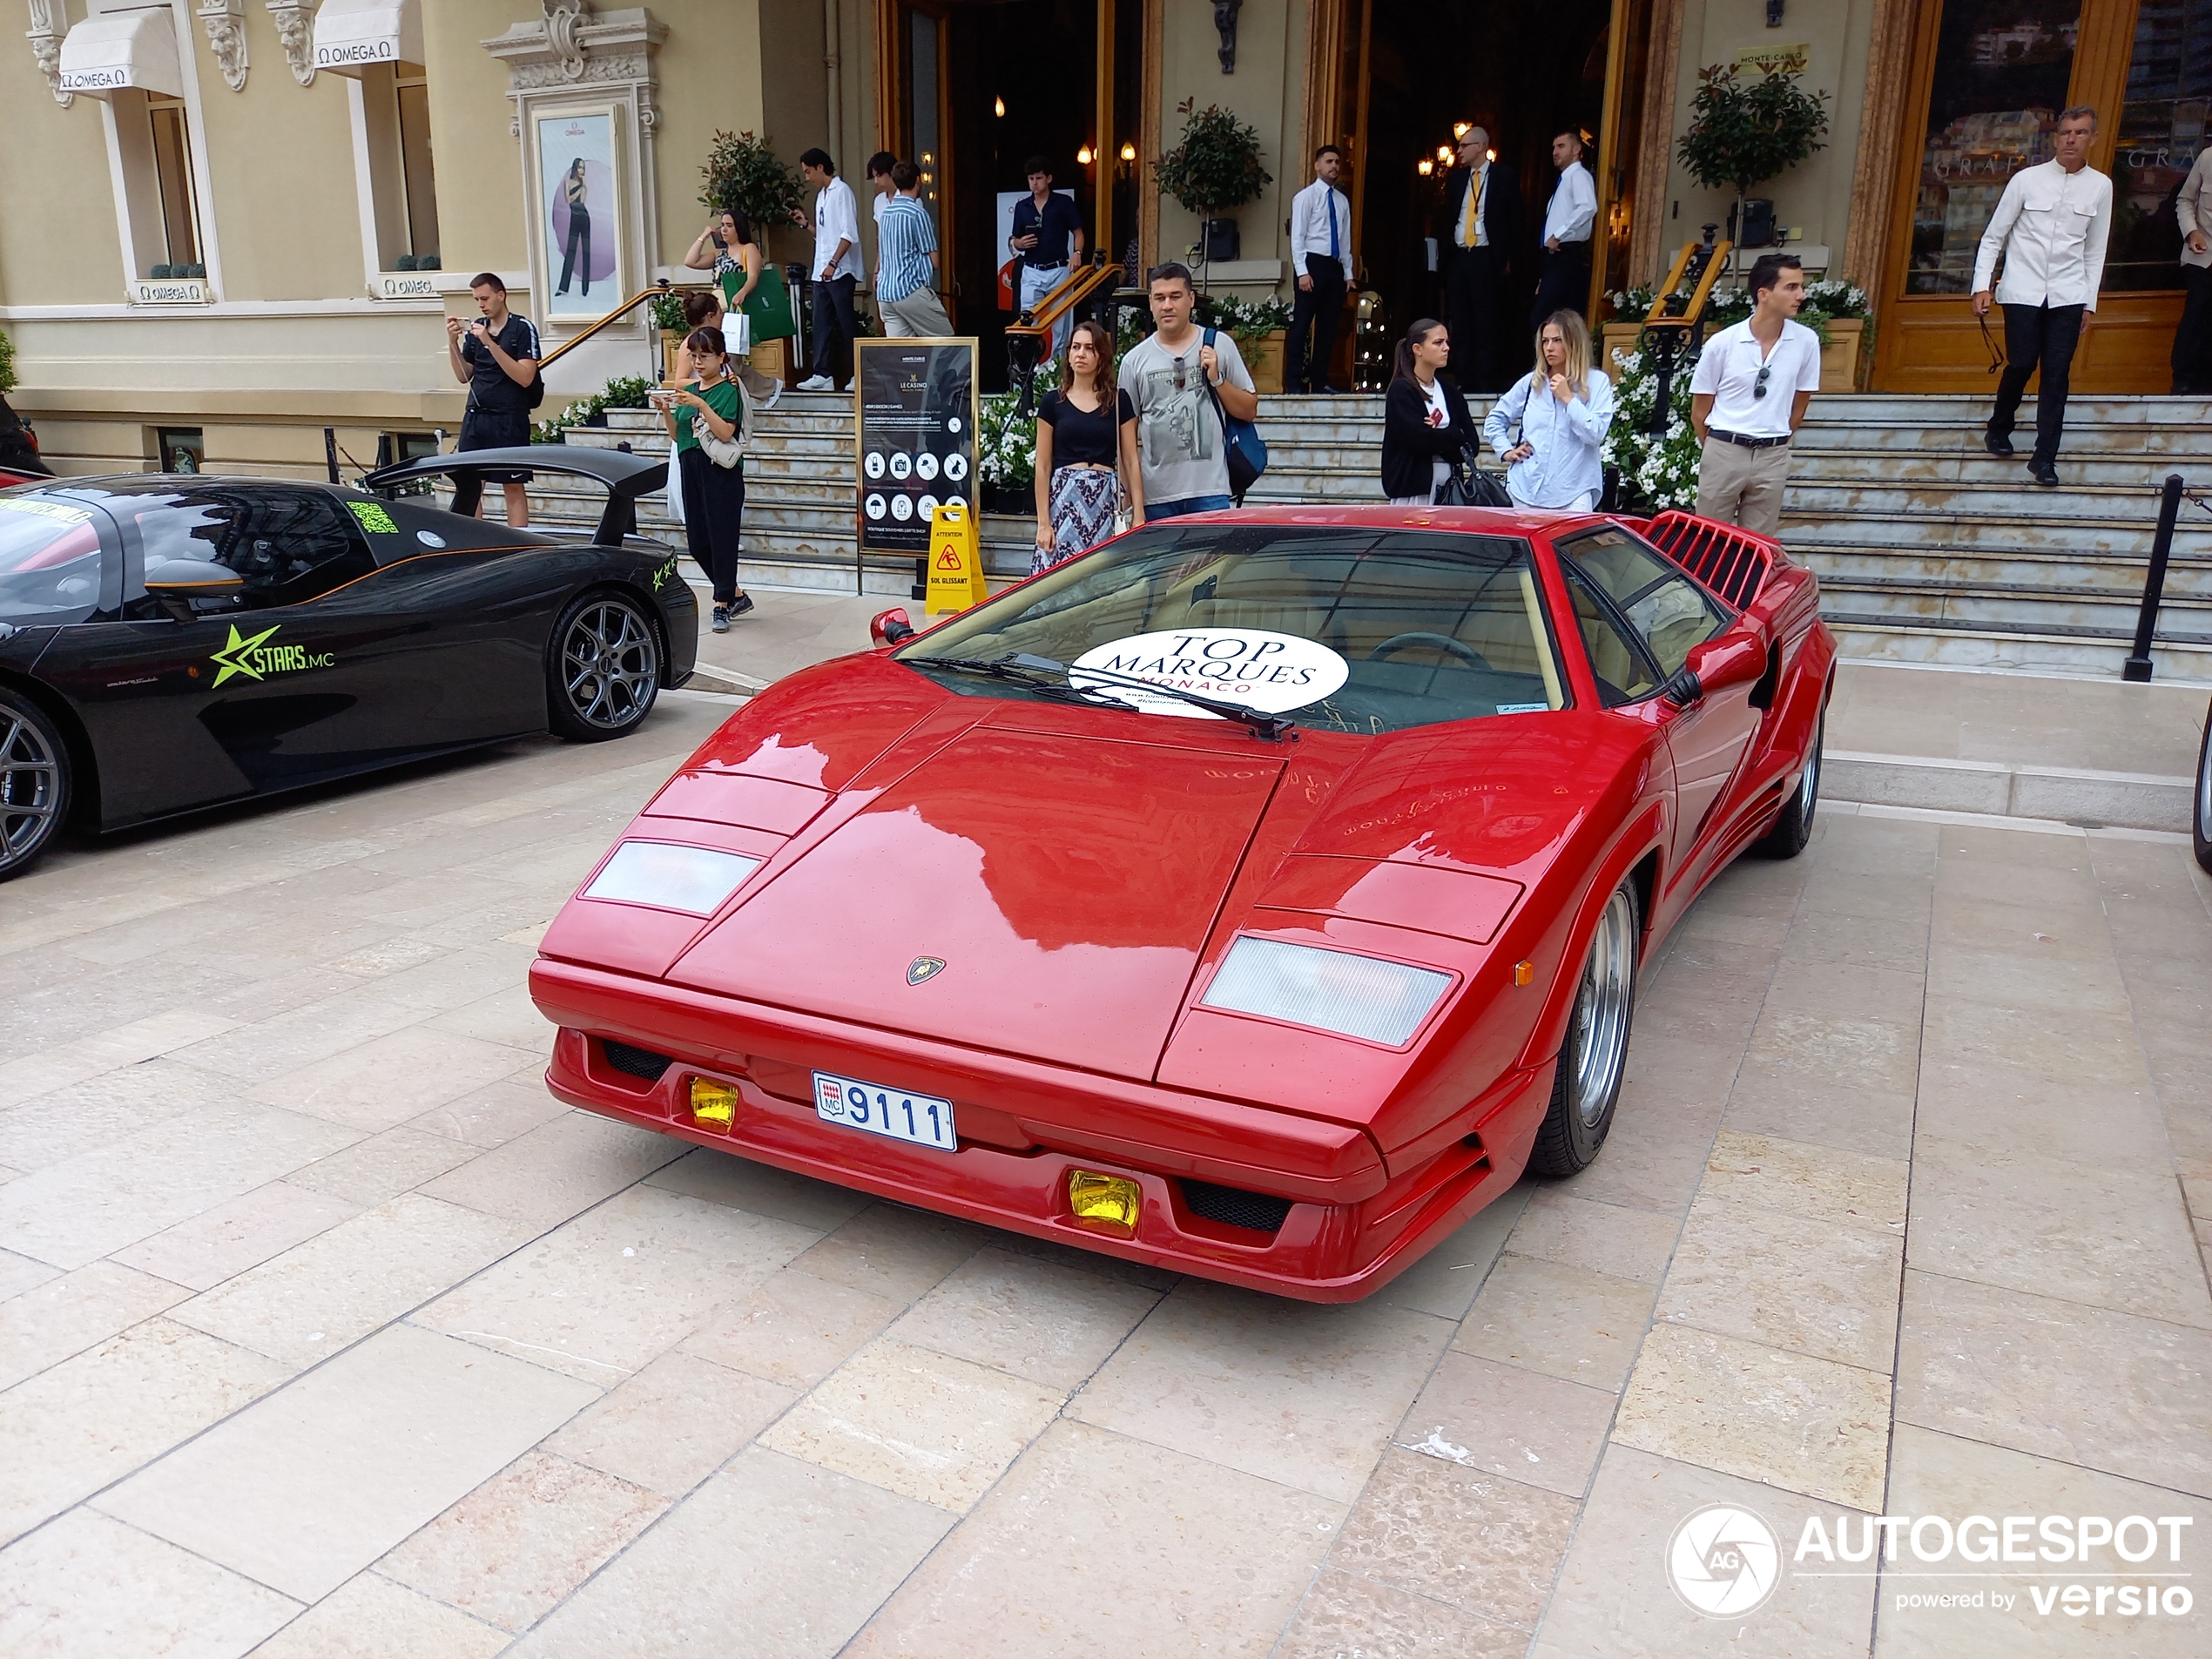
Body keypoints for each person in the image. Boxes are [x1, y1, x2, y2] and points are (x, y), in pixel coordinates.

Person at [1973, 105, 2111, 486]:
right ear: (2055, 138)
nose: (2071, 139)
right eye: (2065, 132)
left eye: (2080, 133)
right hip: (2022, 289)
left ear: (2092, 139)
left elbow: (2095, 249)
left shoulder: (2100, 185)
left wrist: (2089, 303)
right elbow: (1994, 236)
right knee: (2020, 363)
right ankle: (1999, 426)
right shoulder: (2026, 180)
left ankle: (2044, 457)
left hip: (2068, 293)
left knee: (2057, 374)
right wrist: (1982, 286)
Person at [1689, 252, 1819, 536]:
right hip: (1725, 448)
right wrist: (1717, 448)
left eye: (1801, 286)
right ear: (1764, 294)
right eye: (1791, 287)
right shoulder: (1722, 344)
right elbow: (1700, 411)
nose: (1801, 295)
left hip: (1772, 454)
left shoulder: (1806, 342)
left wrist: (1778, 436)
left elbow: (1800, 403)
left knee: (1757, 546)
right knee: (1708, 541)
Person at [1122, 264, 1258, 520]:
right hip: (1156, 496)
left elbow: (1249, 410)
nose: (1167, 305)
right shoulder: (1134, 361)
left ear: (1191, 299)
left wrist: (1217, 380)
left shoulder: (1219, 345)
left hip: (1209, 491)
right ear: (1150, 303)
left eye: (1175, 296)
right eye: (1160, 298)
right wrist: (1129, 494)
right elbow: (1125, 439)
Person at [656, 325, 753, 631]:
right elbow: (677, 435)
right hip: (691, 466)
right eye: (694, 357)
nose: (698, 363)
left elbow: (725, 432)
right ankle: (735, 593)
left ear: (720, 357)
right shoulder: (690, 393)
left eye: (705, 357)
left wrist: (700, 404)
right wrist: (667, 411)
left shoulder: (727, 390)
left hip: (720, 471)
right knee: (698, 541)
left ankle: (721, 604)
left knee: (722, 539)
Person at [1033, 319, 1141, 571]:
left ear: (1101, 356)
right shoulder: (1052, 403)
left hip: (1104, 500)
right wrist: (1043, 522)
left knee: (1103, 575)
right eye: (1075, 347)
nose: (1081, 354)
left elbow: (1131, 459)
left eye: (1089, 348)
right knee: (1057, 576)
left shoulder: (1118, 400)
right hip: (1063, 500)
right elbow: (1043, 465)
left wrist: (1138, 513)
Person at [1485, 310, 1615, 510]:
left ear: (1573, 343)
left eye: (1557, 340)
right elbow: (1495, 418)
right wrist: (1506, 451)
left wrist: (1568, 399)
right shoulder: (1532, 382)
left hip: (1573, 493)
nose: (1549, 348)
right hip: (1525, 490)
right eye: (1545, 341)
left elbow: (1595, 434)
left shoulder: (1596, 382)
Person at [445, 273, 538, 528]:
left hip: (509, 416)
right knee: (471, 486)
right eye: (476, 300)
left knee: (513, 486)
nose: (481, 305)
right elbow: (464, 375)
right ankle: (474, 543)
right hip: (476, 415)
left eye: (485, 298)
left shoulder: (522, 328)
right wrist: (452, 343)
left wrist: (489, 342)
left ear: (501, 295)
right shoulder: (476, 328)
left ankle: (518, 544)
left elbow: (526, 377)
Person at [1439, 125, 1521, 392]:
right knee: (1460, 321)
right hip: (1460, 256)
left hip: (1487, 257)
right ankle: (1463, 379)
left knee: (1485, 321)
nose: (1459, 151)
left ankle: (1485, 381)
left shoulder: (1503, 176)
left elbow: (1513, 219)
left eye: (1464, 146)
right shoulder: (1456, 180)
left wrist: (1507, 257)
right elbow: (1448, 217)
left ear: (1481, 147)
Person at [1380, 319, 1475, 506]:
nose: (1446, 348)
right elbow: (1415, 439)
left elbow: (1472, 444)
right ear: (1418, 349)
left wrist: (1437, 436)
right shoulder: (1401, 390)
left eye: (1447, 342)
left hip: (1450, 489)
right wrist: (1454, 436)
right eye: (1438, 343)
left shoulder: (1452, 394)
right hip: (1413, 491)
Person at [793, 149, 863, 392]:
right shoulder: (822, 196)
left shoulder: (841, 191)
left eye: (808, 171)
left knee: (846, 323)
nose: (807, 177)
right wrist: (806, 225)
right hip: (823, 270)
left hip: (839, 271)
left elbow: (848, 233)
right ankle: (822, 374)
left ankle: (858, 374)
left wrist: (833, 263)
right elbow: (826, 236)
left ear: (820, 167)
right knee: (821, 322)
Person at [1286, 145, 1354, 395]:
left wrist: (1348, 273)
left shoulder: (1342, 201)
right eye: (1329, 162)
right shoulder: (1305, 197)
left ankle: (1320, 380)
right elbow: (1298, 237)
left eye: (1337, 162)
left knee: (1329, 327)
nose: (1334, 166)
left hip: (1333, 266)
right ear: (1317, 166)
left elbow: (1345, 239)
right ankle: (1294, 382)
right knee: (1302, 324)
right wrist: (1302, 271)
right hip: (1311, 263)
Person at [1010, 156, 1085, 360]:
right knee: (1028, 323)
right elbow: (1014, 239)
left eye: (1039, 178)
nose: (1035, 183)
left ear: (1049, 178)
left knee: (1062, 325)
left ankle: (1058, 372)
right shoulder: (1022, 206)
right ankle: (1028, 371)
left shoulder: (1063, 203)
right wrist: (1020, 243)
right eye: (1031, 178)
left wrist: (1077, 254)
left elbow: (1078, 232)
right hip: (1032, 269)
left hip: (1059, 269)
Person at [876, 162, 954, 338]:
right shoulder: (917, 214)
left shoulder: (886, 214)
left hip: (885, 293)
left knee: (904, 355)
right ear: (918, 180)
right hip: (909, 290)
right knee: (947, 343)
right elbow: (935, 261)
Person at [1531, 129, 1596, 327]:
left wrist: (1559, 235)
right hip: (1555, 259)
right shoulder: (1564, 181)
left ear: (1576, 149)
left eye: (1561, 146)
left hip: (1567, 256)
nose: (1555, 152)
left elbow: (1588, 207)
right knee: (1555, 321)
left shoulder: (1578, 176)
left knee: (1543, 319)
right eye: (1553, 147)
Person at [2177, 143, 2212, 395]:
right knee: (2195, 319)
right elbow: (2185, 200)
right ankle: (2184, 382)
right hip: (2204, 256)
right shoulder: (2207, 157)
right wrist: (2192, 232)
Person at [684, 207, 761, 318]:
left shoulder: (749, 248)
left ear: (739, 227)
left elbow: (753, 276)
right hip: (718, 309)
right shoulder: (719, 253)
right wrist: (704, 236)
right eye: (722, 225)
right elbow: (690, 261)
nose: (724, 230)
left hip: (737, 304)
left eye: (729, 226)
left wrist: (742, 292)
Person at [556, 158, 591, 299]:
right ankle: (563, 287)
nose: (582, 171)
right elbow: (570, 200)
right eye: (580, 167)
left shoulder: (584, 184)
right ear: (575, 168)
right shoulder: (568, 182)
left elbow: (582, 201)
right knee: (571, 251)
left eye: (583, 168)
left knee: (586, 251)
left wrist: (583, 187)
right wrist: (579, 188)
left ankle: (585, 288)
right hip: (574, 216)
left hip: (584, 216)